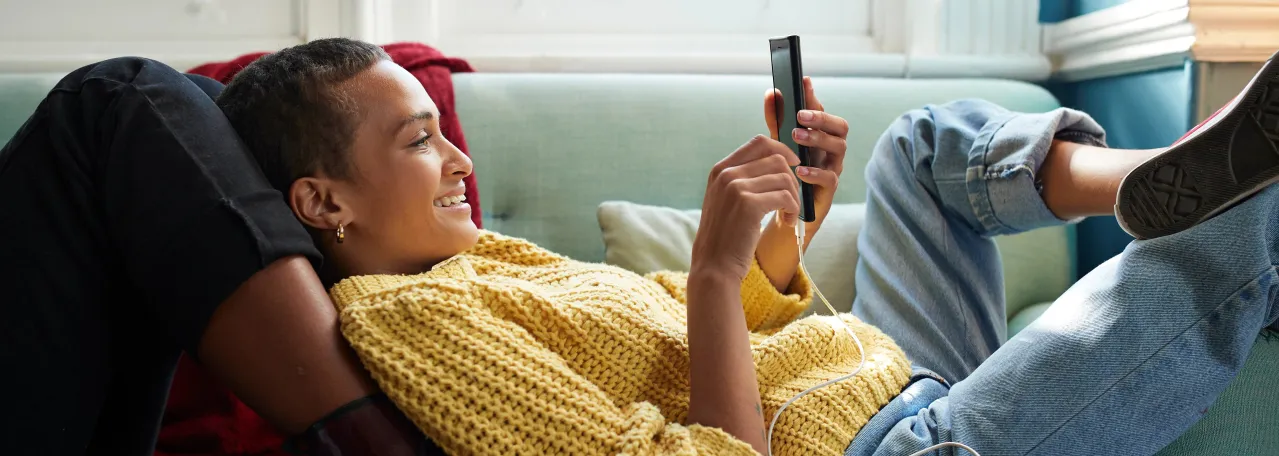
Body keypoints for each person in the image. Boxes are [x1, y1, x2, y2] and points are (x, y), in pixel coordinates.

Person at [1, 36, 1275, 455]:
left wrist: (776, 251)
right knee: (1239, 241)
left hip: (884, 372)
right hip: (900, 444)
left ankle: (1143, 176)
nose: (456, 157)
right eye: (412, 142)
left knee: (915, 143)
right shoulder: (412, 324)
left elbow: (732, 340)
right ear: (319, 205)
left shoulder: (490, 263)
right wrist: (718, 277)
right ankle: (1204, 213)